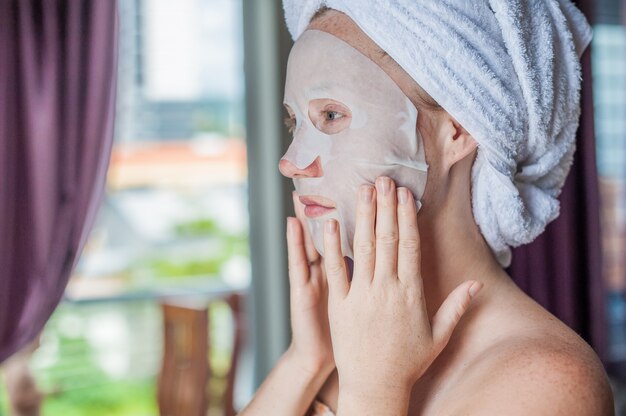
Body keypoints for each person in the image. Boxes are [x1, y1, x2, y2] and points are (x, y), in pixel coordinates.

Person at [240, 3, 615, 415]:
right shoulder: (339, 347)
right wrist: (305, 361)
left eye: (331, 115)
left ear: (459, 128)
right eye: (296, 122)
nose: (290, 161)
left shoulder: (548, 382)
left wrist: (373, 395)